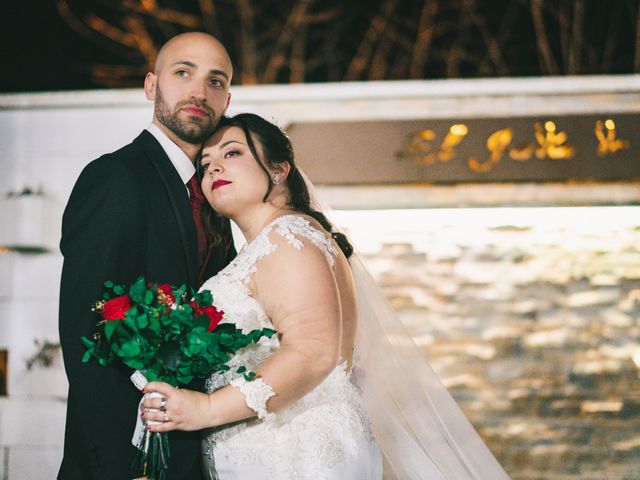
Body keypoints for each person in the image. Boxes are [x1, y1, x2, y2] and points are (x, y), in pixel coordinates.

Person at [140, 113, 511, 479]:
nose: (214, 169)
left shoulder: (286, 240)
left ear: (279, 170)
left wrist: (206, 409)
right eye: (205, 165)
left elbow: (313, 352)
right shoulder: (281, 240)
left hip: (300, 455)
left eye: (232, 153)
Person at [58, 32, 236, 480]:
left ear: (227, 98)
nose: (199, 91)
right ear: (151, 86)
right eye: (183, 73)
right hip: (127, 458)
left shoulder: (217, 198)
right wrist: (118, 463)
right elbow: (87, 332)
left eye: (215, 81)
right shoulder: (114, 177)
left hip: (200, 449)